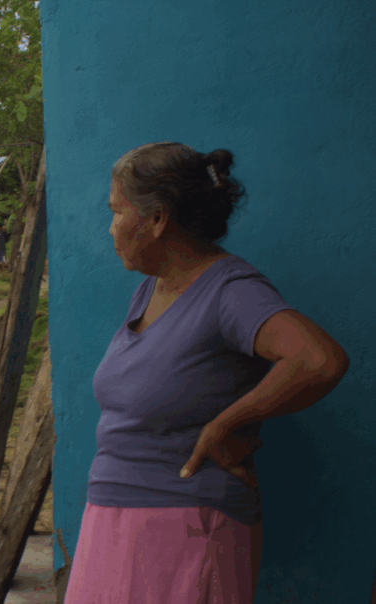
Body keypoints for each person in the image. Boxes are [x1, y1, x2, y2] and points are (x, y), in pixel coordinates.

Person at [63, 142, 349, 604]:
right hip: (115, 518)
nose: (111, 227)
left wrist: (227, 423)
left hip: (187, 527)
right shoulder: (150, 291)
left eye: (117, 212)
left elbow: (319, 360)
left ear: (157, 219)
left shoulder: (229, 291)